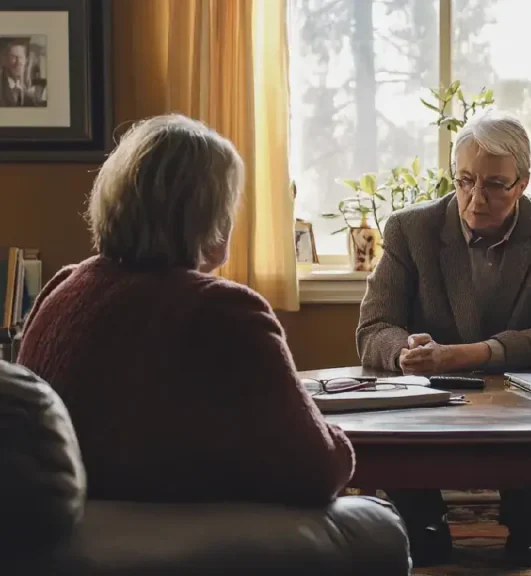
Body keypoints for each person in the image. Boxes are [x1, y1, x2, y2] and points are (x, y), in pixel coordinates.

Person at [17, 114, 355, 506]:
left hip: (53, 539)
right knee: (374, 525)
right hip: (165, 540)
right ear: (209, 215)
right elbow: (320, 469)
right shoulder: (226, 310)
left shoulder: (62, 288)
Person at [357, 110, 531, 566]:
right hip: (432, 396)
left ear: (523, 182)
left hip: (527, 394)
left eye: (494, 184)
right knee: (399, 408)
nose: (475, 198)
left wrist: (470, 355)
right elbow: (374, 328)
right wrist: (405, 352)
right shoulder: (411, 229)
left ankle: (528, 527)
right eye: (465, 180)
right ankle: (422, 523)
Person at [0, 39, 44, 107]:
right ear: (5, 60)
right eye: (13, 57)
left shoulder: (29, 94)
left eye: (21, 57)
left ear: (25, 61)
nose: (18, 62)